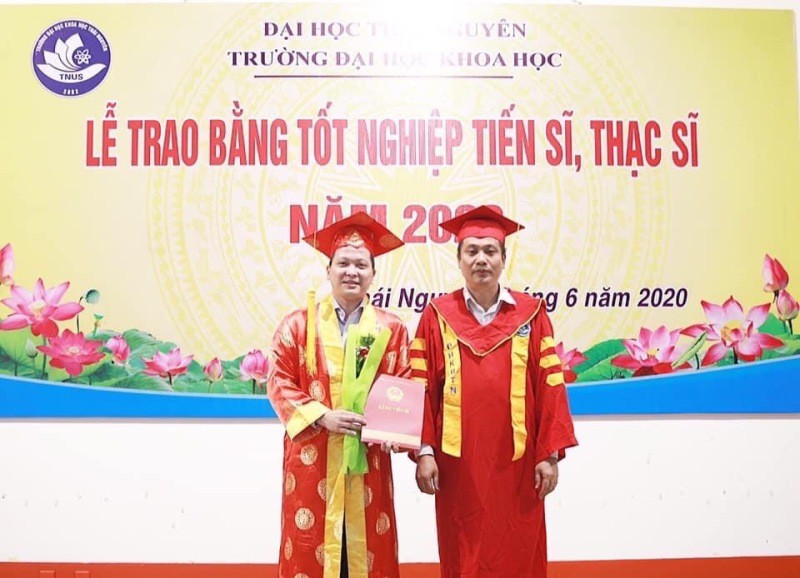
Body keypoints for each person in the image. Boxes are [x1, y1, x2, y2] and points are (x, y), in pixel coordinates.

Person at [411, 205, 578, 578]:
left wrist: (549, 454)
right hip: (457, 463)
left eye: (490, 251)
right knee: (463, 549)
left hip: (518, 461)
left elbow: (549, 385)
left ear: (504, 259)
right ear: (459, 260)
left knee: (517, 548)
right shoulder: (437, 315)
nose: (481, 259)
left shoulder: (531, 313)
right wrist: (424, 452)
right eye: (471, 251)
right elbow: (422, 388)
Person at [267, 212, 410, 578]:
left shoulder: (391, 329)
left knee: (367, 552)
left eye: (361, 265)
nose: (351, 272)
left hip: (368, 459)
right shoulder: (298, 325)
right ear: (328, 270)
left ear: (373, 274)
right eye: (343, 263)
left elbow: (403, 382)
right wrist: (323, 415)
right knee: (311, 549)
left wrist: (394, 431)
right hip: (313, 459)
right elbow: (279, 380)